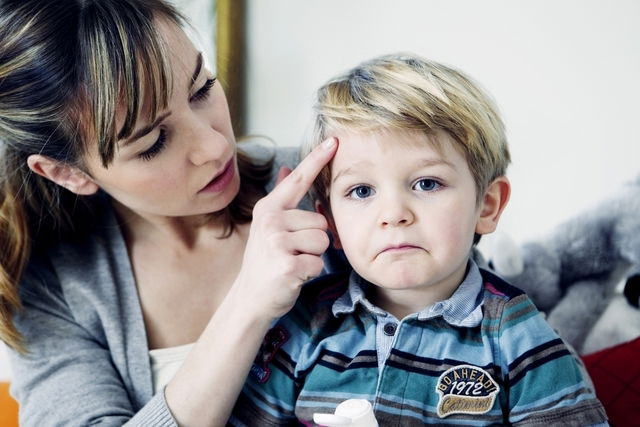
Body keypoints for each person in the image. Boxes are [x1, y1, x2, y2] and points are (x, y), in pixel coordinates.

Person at [0, 0, 342, 425]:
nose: (215, 147)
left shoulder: (336, 187)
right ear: (66, 173)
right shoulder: (49, 286)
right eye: (153, 142)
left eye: (201, 89)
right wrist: (248, 303)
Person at [230, 53, 609, 425]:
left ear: (487, 206)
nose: (394, 214)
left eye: (427, 183)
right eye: (361, 191)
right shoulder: (303, 324)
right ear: (328, 220)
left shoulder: (523, 342)